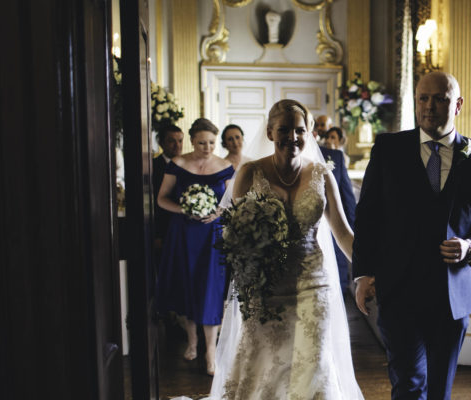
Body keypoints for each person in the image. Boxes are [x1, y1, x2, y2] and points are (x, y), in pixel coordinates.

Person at [353, 71, 471, 399]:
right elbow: (368, 215)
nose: (429, 106)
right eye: (423, 98)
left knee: (439, 391)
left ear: (458, 104)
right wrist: (364, 272)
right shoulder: (388, 148)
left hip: (452, 294)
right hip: (398, 289)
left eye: (440, 99)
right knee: (408, 385)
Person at [210, 99, 363, 399]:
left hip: (313, 283)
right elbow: (234, 236)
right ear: (270, 132)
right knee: (265, 365)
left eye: (299, 130)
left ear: (309, 133)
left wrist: (369, 271)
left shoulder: (322, 174)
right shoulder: (250, 173)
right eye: (284, 130)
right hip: (265, 287)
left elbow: (343, 233)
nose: (292, 137)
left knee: (313, 363)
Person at [156, 118, 235, 376]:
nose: (207, 147)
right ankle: (192, 341)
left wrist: (218, 213)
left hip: (212, 236)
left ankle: (210, 351)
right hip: (183, 234)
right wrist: (185, 208)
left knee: (210, 289)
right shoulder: (178, 165)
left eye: (212, 142)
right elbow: (161, 199)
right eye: (201, 143)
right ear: (192, 141)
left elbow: (230, 201)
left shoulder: (225, 167)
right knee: (188, 286)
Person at [314, 126, 356, 291]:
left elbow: (347, 197)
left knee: (338, 285)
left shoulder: (335, 157)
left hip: (334, 231)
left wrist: (353, 229)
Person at [153, 124, 184, 250]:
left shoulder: (188, 165)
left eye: (180, 141)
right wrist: (158, 234)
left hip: (184, 226)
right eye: (171, 141)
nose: (177, 145)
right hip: (164, 227)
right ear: (161, 143)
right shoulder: (153, 167)